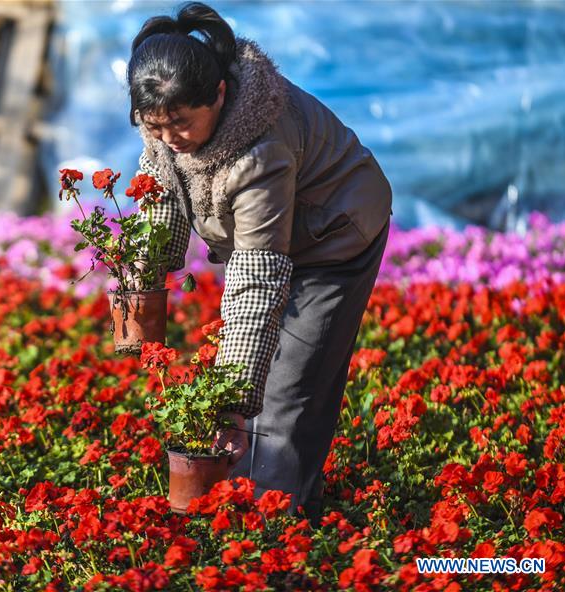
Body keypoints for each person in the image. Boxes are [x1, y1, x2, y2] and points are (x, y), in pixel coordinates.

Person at [128, 1, 393, 528]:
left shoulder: (259, 150)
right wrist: (143, 273)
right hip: (285, 234)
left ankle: (271, 529)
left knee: (288, 386)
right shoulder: (168, 121)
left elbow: (255, 279)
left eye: (179, 124)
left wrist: (231, 400)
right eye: (153, 127)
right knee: (269, 381)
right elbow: (162, 186)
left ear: (220, 96)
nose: (167, 138)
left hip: (334, 235)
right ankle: (265, 500)